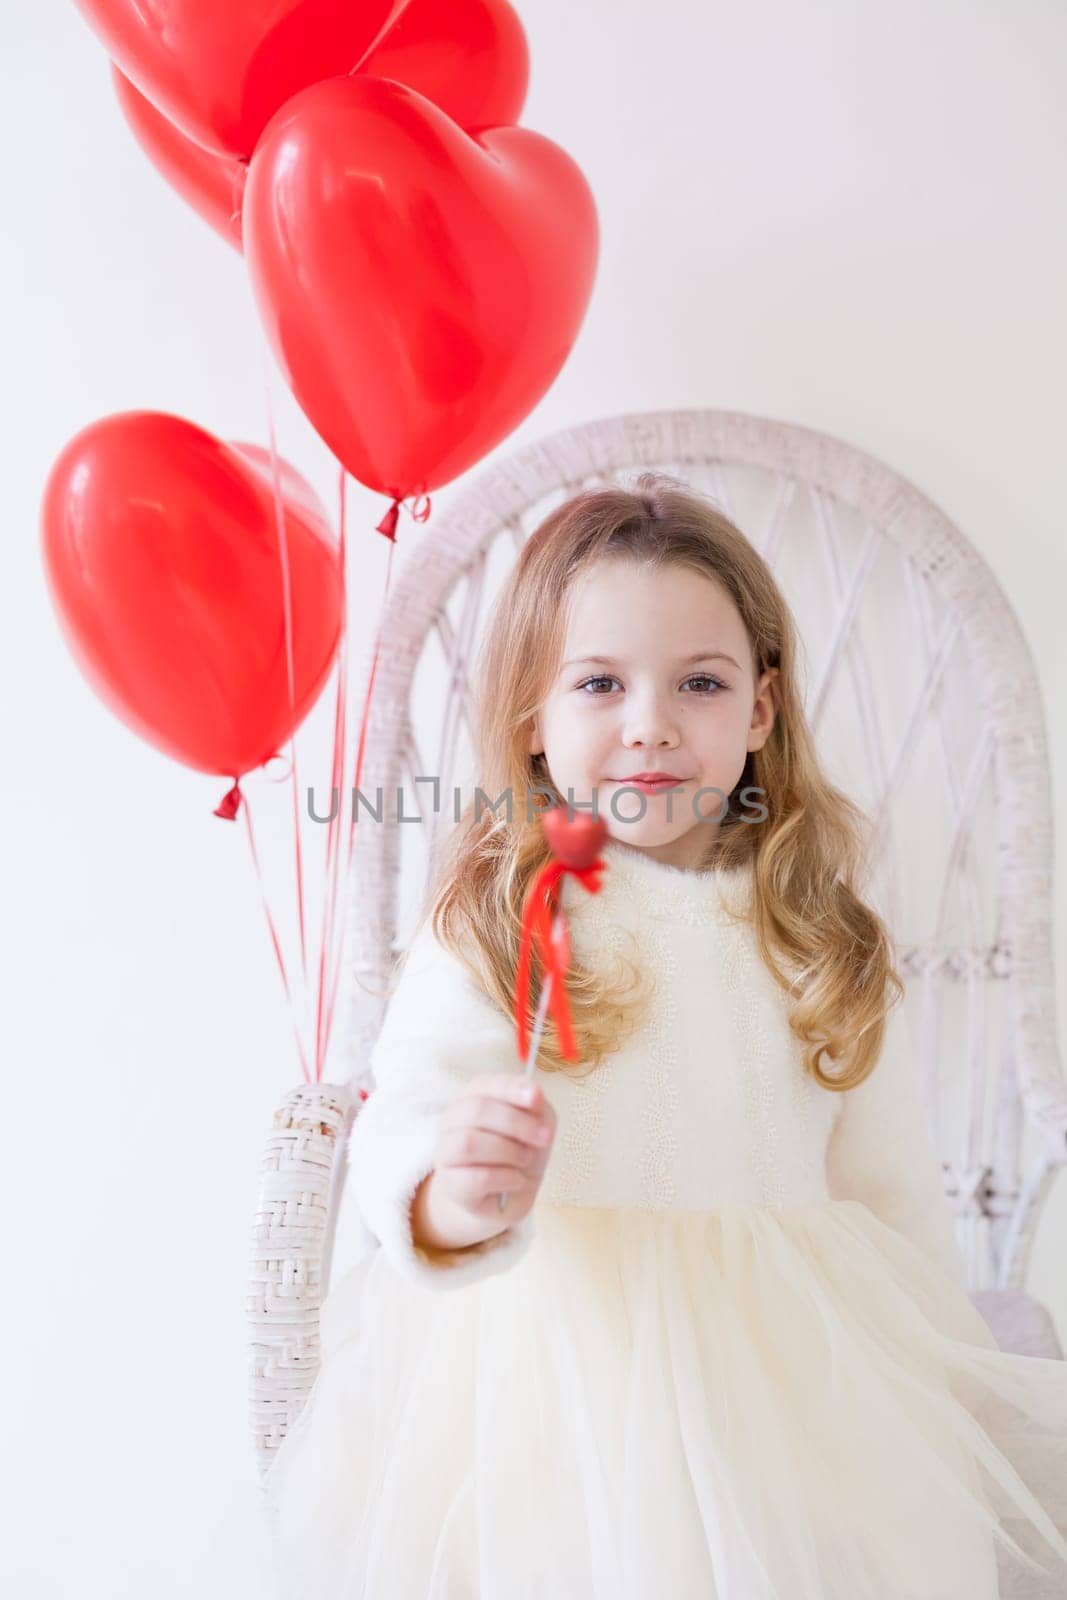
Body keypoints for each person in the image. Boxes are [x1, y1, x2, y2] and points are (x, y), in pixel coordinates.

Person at [263, 472, 1067, 1598]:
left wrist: (938, 1397)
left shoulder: (813, 931)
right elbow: (406, 1114)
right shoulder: (500, 921)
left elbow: (889, 1195)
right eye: (598, 683)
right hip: (556, 1386)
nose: (649, 723)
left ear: (758, 711)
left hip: (794, 1378)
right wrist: (456, 1193)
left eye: (698, 681)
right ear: (532, 723)